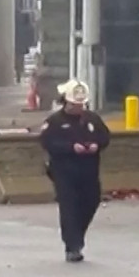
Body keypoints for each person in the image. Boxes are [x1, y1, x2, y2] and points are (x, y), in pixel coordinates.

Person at [39, 79, 111, 262]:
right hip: (64, 170)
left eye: (81, 105)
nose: (78, 108)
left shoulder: (92, 119)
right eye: (74, 105)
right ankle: (72, 246)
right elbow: (47, 142)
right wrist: (71, 147)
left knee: (91, 201)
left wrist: (96, 145)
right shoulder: (54, 122)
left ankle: (78, 234)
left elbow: (105, 136)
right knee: (69, 207)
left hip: (89, 169)